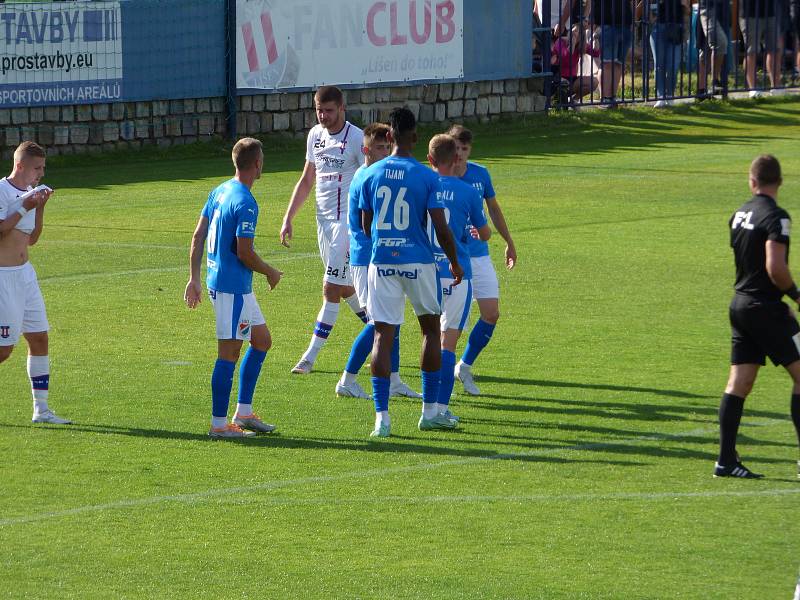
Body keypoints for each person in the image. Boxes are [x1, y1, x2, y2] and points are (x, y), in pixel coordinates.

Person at [354, 107, 463, 438]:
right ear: (415, 138)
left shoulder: (370, 175)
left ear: (388, 136)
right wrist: (455, 263)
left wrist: (386, 245)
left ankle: (382, 419)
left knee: (381, 334)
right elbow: (441, 229)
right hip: (417, 261)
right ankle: (430, 412)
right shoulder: (427, 176)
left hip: (381, 261)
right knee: (430, 330)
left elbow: (365, 224)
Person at [185, 137, 283, 439]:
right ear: (258, 164)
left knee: (262, 340)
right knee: (229, 352)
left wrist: (194, 278)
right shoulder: (246, 203)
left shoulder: (220, 190)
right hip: (231, 288)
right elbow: (244, 252)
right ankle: (218, 425)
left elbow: (198, 235)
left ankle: (243, 411)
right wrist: (270, 271)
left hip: (229, 284)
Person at [716, 155, 800, 478]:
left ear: (752, 181)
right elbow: (774, 267)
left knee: (740, 382)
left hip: (740, 305)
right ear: (779, 182)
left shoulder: (738, 214)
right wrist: (795, 295)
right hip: (765, 308)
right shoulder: (777, 218)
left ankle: (725, 461)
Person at [280, 85, 366, 375]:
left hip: (347, 224)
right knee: (343, 288)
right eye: (319, 110)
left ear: (342, 108)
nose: (323, 116)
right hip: (323, 223)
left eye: (329, 110)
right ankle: (380, 330)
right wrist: (288, 216)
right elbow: (307, 179)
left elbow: (368, 180)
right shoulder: (315, 136)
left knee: (329, 288)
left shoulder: (356, 138)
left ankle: (309, 357)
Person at [336, 123, 422, 400]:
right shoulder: (365, 177)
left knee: (391, 321)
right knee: (378, 323)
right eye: (379, 148)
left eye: (388, 147)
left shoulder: (378, 175)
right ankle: (347, 380)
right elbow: (365, 226)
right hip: (366, 260)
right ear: (365, 150)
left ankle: (394, 380)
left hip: (380, 257)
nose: (385, 152)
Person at [0, 141, 70, 425]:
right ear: (20, 166)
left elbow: (33, 238)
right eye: (37, 168)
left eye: (43, 168)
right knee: (4, 350)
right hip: (4, 277)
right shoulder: (2, 191)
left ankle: (41, 409)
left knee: (39, 336)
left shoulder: (31, 193)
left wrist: (39, 208)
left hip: (25, 275)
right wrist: (25, 206)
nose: (41, 174)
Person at [447, 125, 517, 396]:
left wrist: (508, 242)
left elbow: (494, 209)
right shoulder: (439, 177)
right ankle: (442, 382)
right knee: (450, 324)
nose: (461, 154)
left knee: (491, 313)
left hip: (479, 256)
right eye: (456, 148)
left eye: (465, 149)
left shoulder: (480, 174)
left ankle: (463, 367)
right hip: (452, 260)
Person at [426, 134, 491, 422]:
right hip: (456, 273)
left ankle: (428, 406)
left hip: (427, 273)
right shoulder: (468, 192)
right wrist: (477, 232)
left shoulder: (423, 186)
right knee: (448, 342)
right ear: (456, 159)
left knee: (429, 338)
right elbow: (484, 232)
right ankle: (440, 409)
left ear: (430, 160)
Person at [590, 0, 635, 105]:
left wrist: (632, 21)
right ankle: (605, 98)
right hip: (607, 24)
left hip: (625, 25)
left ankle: (612, 98)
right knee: (607, 64)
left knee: (618, 64)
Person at [648, 0, 688, 107]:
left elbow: (686, 7)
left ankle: (669, 95)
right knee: (659, 65)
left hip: (676, 26)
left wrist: (684, 27)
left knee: (673, 65)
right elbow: (647, 4)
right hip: (658, 27)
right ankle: (661, 96)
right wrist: (651, 18)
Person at [739, 0, 781, 96]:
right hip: (749, 14)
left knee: (774, 50)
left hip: (770, 13)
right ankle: (753, 88)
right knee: (751, 51)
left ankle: (776, 87)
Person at [551, 23, 601, 104]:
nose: (573, 33)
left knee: (594, 82)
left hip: (572, 79)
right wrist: (572, 45)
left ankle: (574, 100)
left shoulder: (581, 45)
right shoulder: (560, 41)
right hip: (559, 79)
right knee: (561, 89)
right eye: (572, 30)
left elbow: (595, 53)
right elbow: (566, 59)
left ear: (581, 36)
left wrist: (596, 39)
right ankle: (556, 97)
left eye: (576, 31)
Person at [696, 0, 730, 98]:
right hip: (707, 8)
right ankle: (711, 83)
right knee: (713, 46)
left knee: (708, 49)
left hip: (722, 10)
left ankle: (704, 89)